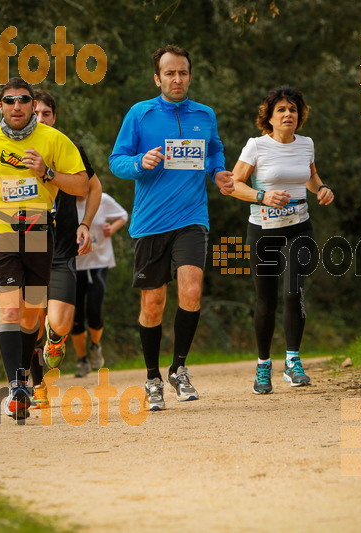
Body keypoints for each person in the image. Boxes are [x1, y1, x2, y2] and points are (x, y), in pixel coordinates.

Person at [0, 78, 88, 419]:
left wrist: (48, 172)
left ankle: (23, 376)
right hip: (1, 230)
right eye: (10, 101)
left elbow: (81, 184)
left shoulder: (54, 139)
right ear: (1, 107)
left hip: (38, 231)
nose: (17, 106)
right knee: (9, 312)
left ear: (30, 104)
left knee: (31, 315)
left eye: (23, 100)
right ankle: (16, 386)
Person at [109, 44, 235, 411]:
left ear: (189, 76)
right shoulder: (140, 113)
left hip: (192, 217)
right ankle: (152, 378)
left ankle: (179, 368)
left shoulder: (205, 114)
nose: (176, 79)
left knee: (192, 290)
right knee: (153, 303)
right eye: (169, 73)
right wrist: (138, 162)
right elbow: (116, 160)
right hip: (150, 223)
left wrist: (219, 173)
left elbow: (214, 151)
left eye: (182, 73)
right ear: (157, 78)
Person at [228, 86, 334, 394]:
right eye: (282, 110)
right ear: (270, 118)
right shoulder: (256, 147)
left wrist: (323, 188)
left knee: (293, 292)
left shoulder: (306, 145)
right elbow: (234, 184)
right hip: (263, 229)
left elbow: (311, 178)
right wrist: (263, 196)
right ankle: (263, 365)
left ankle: (292, 360)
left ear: (299, 116)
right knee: (266, 299)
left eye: (293, 109)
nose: (288, 114)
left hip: (300, 226)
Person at [28, 88, 102, 409]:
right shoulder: (14, 151)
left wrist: (85, 224)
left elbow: (93, 187)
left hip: (61, 247)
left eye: (46, 114)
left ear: (54, 118)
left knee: (60, 322)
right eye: (35, 114)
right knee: (28, 319)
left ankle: (55, 338)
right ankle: (36, 385)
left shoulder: (70, 149)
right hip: (28, 242)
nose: (40, 118)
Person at [72, 192, 129, 377]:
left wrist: (112, 228)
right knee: (76, 316)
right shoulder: (61, 201)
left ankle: (95, 346)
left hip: (99, 263)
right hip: (73, 266)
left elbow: (123, 215)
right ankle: (82, 361)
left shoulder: (101, 199)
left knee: (94, 311)